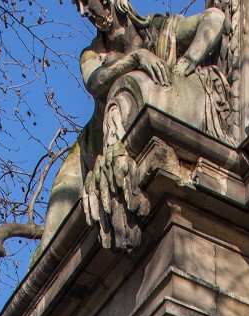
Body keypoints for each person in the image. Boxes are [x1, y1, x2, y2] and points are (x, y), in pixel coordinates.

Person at [36, 0, 229, 252]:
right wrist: (136, 59)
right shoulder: (92, 54)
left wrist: (187, 63)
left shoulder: (159, 30)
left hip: (144, 139)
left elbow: (214, 18)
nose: (84, 12)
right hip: (90, 153)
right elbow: (95, 82)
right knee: (49, 247)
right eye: (78, 6)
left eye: (85, 2)